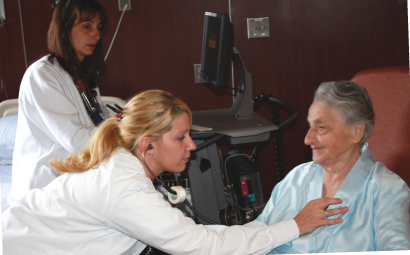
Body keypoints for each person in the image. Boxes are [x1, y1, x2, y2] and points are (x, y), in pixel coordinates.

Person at [2, 90, 348, 255]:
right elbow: (199, 245)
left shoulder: (120, 162)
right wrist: (294, 226)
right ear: (148, 145)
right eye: (181, 138)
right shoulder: (123, 189)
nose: (192, 146)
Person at [256, 80, 410, 253]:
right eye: (310, 126)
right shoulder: (295, 179)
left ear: (356, 132)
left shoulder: (387, 191)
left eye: (321, 127)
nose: (308, 139)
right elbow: (252, 240)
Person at [9, 0, 111, 204]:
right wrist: (121, 130)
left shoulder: (82, 74)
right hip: (47, 188)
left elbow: (100, 119)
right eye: (87, 26)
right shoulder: (42, 75)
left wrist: (124, 122)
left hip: (80, 177)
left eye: (98, 27)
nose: (96, 35)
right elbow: (77, 141)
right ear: (64, 29)